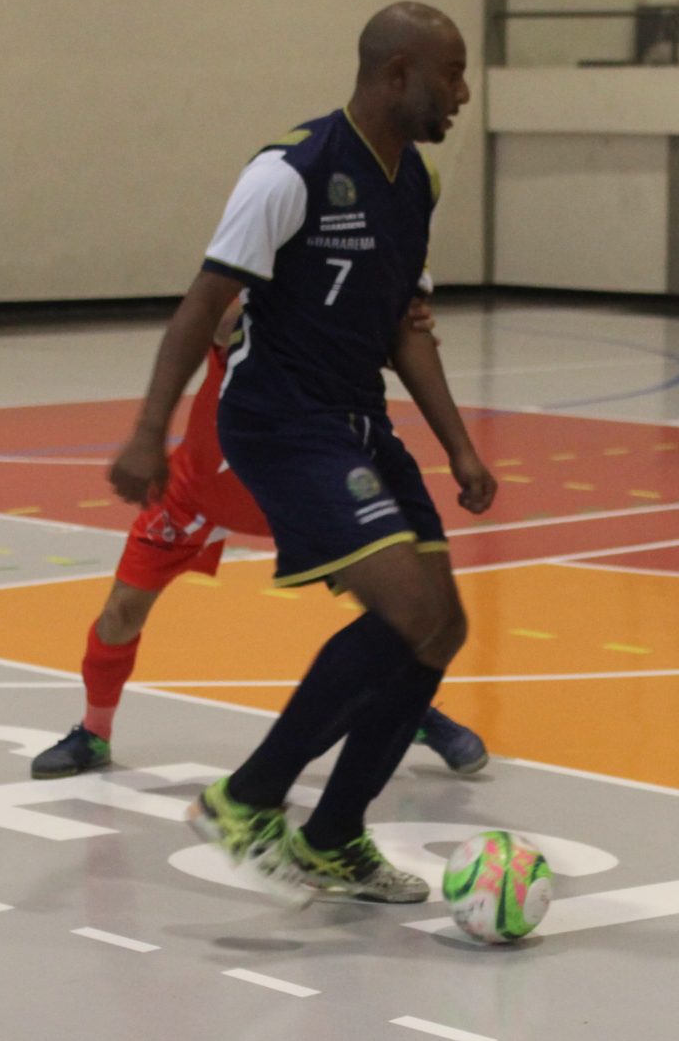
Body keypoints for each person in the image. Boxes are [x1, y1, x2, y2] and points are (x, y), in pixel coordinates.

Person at [108, 1, 489, 905]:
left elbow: (405, 326)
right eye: (454, 73)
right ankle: (248, 798)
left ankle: (333, 836)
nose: (465, 93)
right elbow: (201, 306)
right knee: (403, 609)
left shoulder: (417, 186)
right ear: (398, 74)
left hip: (359, 416)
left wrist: (461, 447)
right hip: (281, 420)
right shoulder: (292, 171)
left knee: (444, 625)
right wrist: (148, 429)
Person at [31, 293, 490, 781]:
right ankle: (93, 732)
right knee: (121, 613)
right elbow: (219, 315)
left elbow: (389, 341)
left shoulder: (327, 346)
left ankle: (412, 711)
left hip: (295, 490)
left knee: (395, 611)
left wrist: (395, 318)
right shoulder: (244, 309)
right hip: (197, 494)